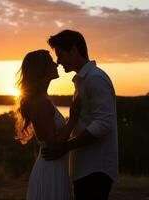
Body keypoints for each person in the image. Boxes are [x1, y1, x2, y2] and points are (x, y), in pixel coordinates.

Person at [42, 30, 118, 200]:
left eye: (61, 55)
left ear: (75, 51)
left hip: (96, 169)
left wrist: (66, 147)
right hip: (85, 168)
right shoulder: (83, 80)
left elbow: (104, 124)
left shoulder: (96, 78)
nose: (59, 62)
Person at [15, 49, 80, 200]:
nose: (56, 64)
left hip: (55, 167)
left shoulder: (44, 98)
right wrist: (73, 119)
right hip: (50, 169)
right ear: (41, 69)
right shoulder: (40, 102)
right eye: (51, 62)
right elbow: (53, 143)